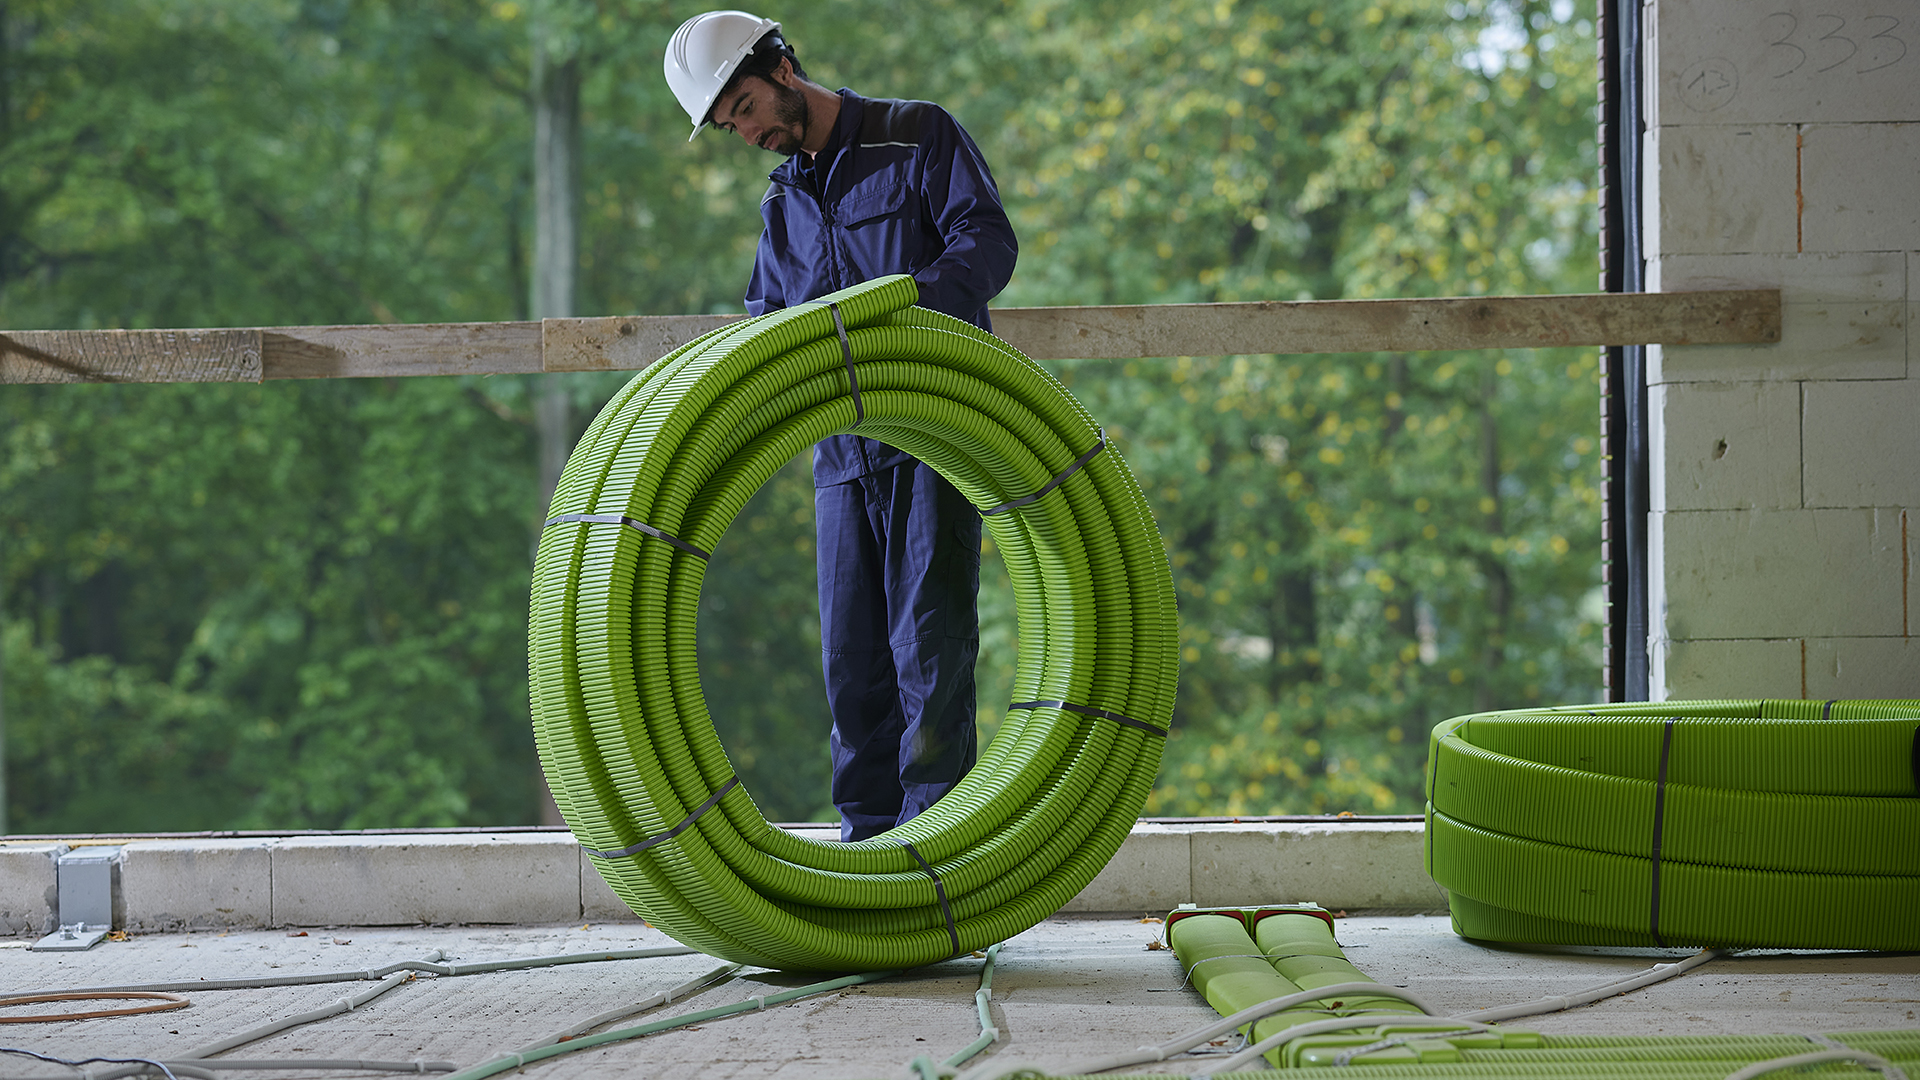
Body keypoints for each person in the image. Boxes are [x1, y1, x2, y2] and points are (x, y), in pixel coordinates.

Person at [664, 11, 1019, 841]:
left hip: (933, 442)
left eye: (745, 107)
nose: (745, 131)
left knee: (928, 654)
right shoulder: (783, 202)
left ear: (782, 69)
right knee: (851, 668)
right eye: (729, 124)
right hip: (840, 459)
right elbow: (768, 320)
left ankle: (934, 864)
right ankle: (869, 863)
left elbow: (987, 242)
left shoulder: (916, 135)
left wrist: (900, 318)